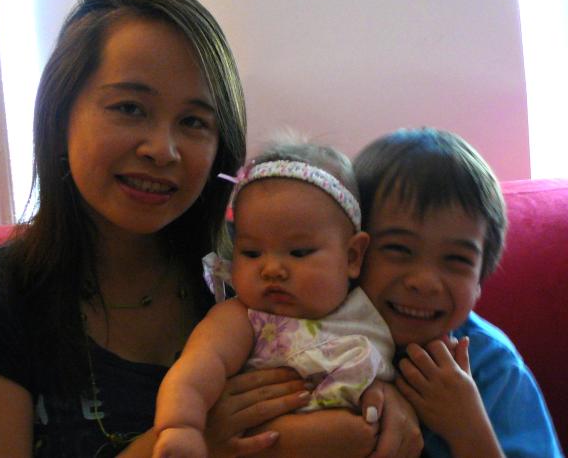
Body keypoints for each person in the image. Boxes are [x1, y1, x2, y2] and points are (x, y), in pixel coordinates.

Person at [0, 0, 422, 458]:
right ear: (61, 117)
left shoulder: (248, 272)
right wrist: (202, 439)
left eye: (193, 121)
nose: (162, 150)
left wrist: (382, 395)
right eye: (130, 108)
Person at [153, 138, 397, 458]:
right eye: (252, 252)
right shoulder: (242, 318)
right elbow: (195, 370)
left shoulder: (369, 310)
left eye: (298, 252)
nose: (271, 269)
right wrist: (181, 427)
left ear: (352, 256)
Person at [352, 127, 564, 458]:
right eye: (398, 249)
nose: (425, 282)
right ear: (352, 254)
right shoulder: (313, 328)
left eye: (456, 259)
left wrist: (467, 426)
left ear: (480, 280)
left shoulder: (491, 365)